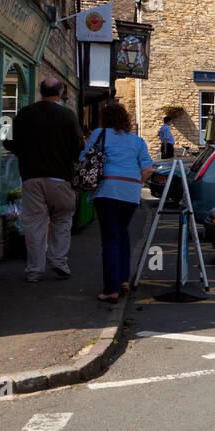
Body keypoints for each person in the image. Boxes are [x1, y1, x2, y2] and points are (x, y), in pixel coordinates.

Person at [3, 76, 83, 283]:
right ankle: (58, 260)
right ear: (59, 93)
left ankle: (34, 269)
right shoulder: (67, 116)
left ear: (41, 92)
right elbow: (78, 148)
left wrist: (26, 154)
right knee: (62, 219)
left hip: (32, 177)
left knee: (34, 224)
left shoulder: (24, 114)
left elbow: (8, 143)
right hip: (61, 178)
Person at [82, 101, 154, 302]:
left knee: (111, 239)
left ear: (105, 118)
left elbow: (84, 158)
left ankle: (111, 289)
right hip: (130, 193)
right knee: (123, 233)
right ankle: (123, 280)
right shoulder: (137, 140)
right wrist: (135, 183)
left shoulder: (99, 134)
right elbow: (148, 169)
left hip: (107, 190)